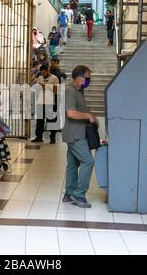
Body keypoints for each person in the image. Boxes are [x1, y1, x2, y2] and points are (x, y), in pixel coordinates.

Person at [62, 66, 97, 208]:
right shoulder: (70, 91)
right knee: (88, 161)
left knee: (73, 164)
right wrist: (88, 116)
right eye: (87, 77)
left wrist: (91, 116)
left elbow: (79, 110)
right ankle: (79, 194)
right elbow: (70, 113)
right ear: (78, 78)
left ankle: (69, 193)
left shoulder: (78, 91)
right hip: (75, 134)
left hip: (76, 133)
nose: (89, 80)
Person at [32, 64, 59, 144]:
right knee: (40, 120)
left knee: (51, 120)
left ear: (47, 70)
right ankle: (39, 137)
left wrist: (45, 86)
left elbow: (56, 90)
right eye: (42, 72)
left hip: (50, 102)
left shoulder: (54, 78)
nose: (43, 74)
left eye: (44, 72)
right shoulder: (39, 78)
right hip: (40, 102)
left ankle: (53, 137)